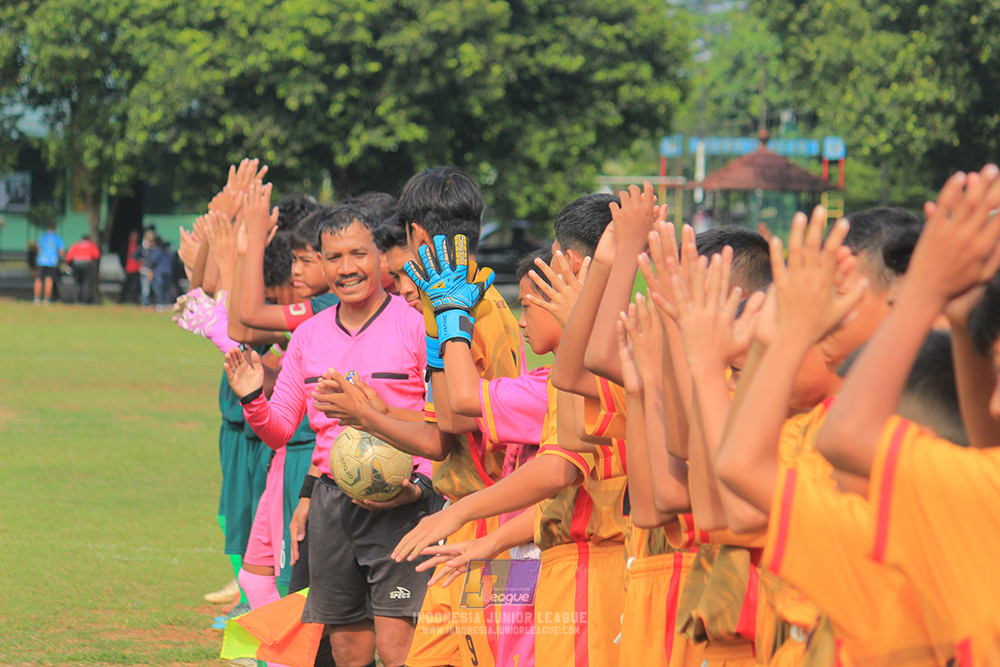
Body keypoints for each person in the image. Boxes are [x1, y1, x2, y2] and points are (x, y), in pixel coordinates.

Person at [227, 205, 436, 667]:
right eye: (334, 257)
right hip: (333, 503)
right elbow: (280, 429)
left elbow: (439, 421)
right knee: (346, 647)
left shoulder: (418, 324)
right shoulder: (308, 336)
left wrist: (419, 486)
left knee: (399, 645)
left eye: (358, 254)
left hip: (404, 505)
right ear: (321, 263)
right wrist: (251, 399)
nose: (347, 268)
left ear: (380, 257)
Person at [33, 223, 64, 305]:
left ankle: (36, 298)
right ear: (54, 229)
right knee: (49, 279)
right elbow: (61, 252)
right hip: (52, 262)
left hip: (41, 261)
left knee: (38, 279)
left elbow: (38, 249)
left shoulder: (43, 236)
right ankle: (46, 299)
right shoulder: (57, 238)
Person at [65, 234, 101, 304]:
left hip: (77, 264)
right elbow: (97, 255)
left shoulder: (76, 245)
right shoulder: (91, 245)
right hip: (87, 264)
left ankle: (76, 300)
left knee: (76, 282)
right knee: (86, 282)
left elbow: (68, 257)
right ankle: (85, 300)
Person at [119, 229, 141, 304]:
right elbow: (122, 256)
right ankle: (121, 300)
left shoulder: (139, 246)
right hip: (128, 268)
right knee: (125, 285)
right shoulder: (126, 246)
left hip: (136, 269)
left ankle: (135, 300)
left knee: (135, 286)